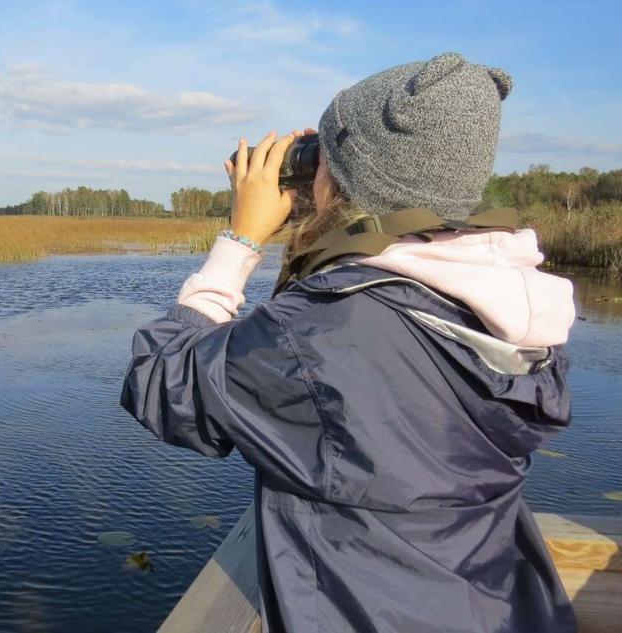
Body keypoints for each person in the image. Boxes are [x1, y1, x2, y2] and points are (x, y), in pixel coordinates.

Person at [120, 53, 577, 632]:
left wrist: (240, 239)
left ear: (344, 177)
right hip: (502, 608)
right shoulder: (517, 307)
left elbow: (162, 385)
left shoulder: (326, 330)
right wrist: (329, 216)